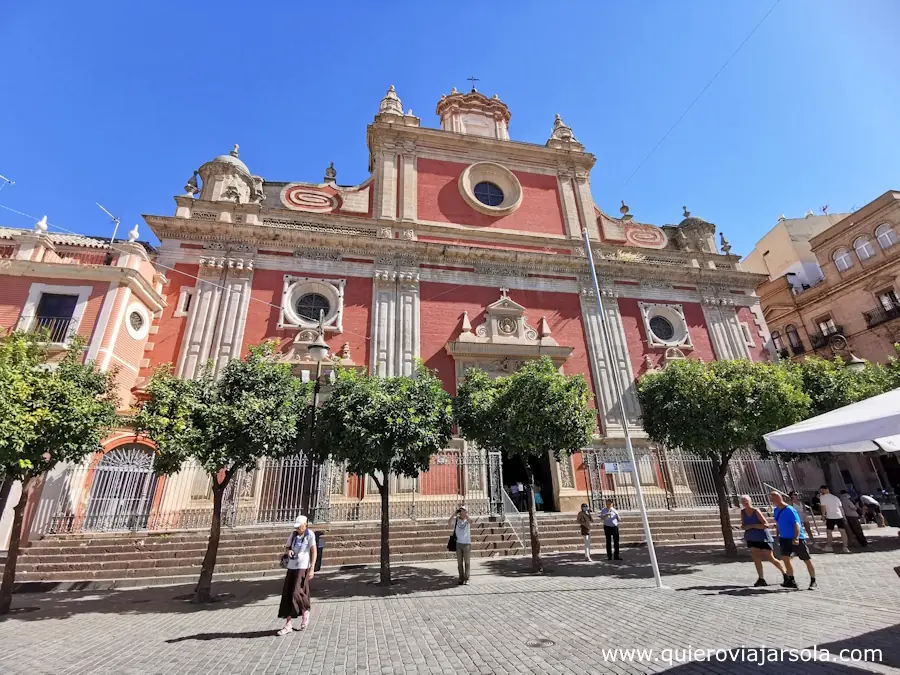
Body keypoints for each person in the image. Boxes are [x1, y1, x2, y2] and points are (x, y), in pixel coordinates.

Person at [277, 515, 317, 636]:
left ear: (305, 525)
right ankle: (288, 624)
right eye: (297, 527)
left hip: (303, 567)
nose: (298, 529)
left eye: (300, 527)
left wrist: (312, 568)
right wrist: (288, 551)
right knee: (288, 594)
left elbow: (314, 551)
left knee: (297, 592)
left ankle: (305, 611)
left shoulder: (310, 534)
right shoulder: (293, 534)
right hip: (292, 567)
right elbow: (287, 546)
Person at [770, 491, 817, 590]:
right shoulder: (776, 510)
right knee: (785, 559)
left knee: (806, 559)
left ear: (779, 498)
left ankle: (813, 581)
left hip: (796, 538)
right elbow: (778, 523)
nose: (771, 501)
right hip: (784, 538)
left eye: (773, 498)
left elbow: (797, 524)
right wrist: (777, 534)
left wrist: (796, 538)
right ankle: (791, 580)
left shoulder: (790, 510)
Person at [739, 495, 785, 587]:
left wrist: (752, 526)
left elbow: (765, 525)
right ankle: (761, 578)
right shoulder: (743, 512)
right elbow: (744, 524)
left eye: (746, 501)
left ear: (750, 501)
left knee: (770, 558)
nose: (745, 503)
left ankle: (785, 573)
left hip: (763, 537)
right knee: (756, 558)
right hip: (751, 537)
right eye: (743, 501)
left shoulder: (756, 511)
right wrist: (743, 527)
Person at [818, 485, 850, 553]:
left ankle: (829, 546)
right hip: (839, 516)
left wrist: (823, 515)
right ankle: (845, 547)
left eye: (821, 490)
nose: (821, 492)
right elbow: (841, 508)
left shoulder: (823, 497)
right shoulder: (835, 497)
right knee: (843, 532)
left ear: (823, 490)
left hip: (830, 516)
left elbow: (823, 507)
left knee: (829, 532)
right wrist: (844, 517)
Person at [448, 505, 472, 585]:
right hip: (458, 543)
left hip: (467, 543)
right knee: (459, 563)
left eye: (463, 510)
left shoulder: (467, 520)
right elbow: (449, 522)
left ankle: (467, 578)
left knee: (467, 562)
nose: (461, 512)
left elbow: (471, 522)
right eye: (460, 510)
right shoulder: (456, 520)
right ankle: (461, 578)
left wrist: (466, 514)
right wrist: (454, 514)